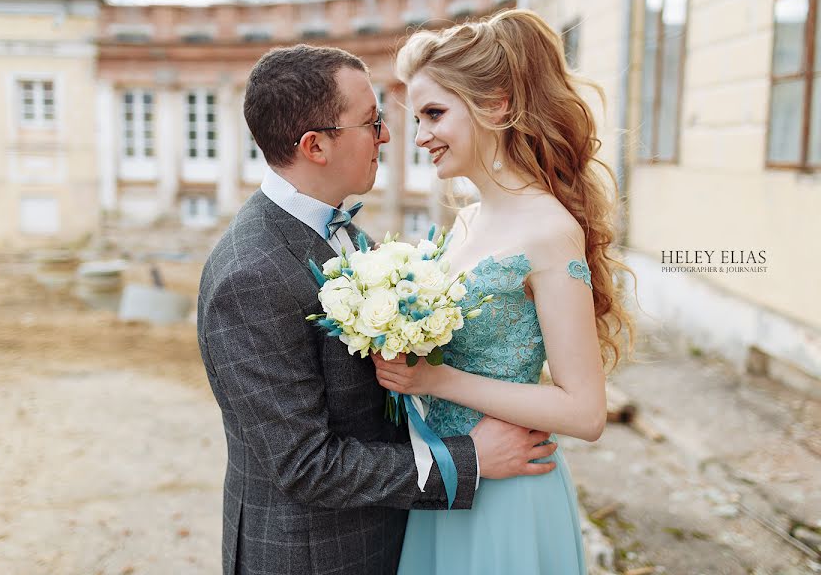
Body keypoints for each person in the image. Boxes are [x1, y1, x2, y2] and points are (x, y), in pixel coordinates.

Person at [196, 43, 559, 575]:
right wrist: (470, 458)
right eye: (371, 122)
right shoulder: (250, 274)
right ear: (315, 145)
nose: (388, 136)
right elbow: (306, 465)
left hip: (385, 538)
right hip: (315, 557)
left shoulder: (345, 236)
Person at [372, 9, 636, 574]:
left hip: (509, 493)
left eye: (434, 114)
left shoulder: (549, 231)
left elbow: (586, 410)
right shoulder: (464, 223)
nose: (420, 136)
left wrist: (435, 378)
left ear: (497, 105)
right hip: (450, 480)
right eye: (418, 118)